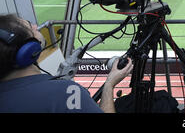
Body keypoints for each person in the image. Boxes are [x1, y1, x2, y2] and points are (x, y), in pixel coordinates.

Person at [0, 13, 133, 113]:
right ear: (28, 50)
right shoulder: (66, 93)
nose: (36, 26)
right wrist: (109, 84)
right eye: (30, 26)